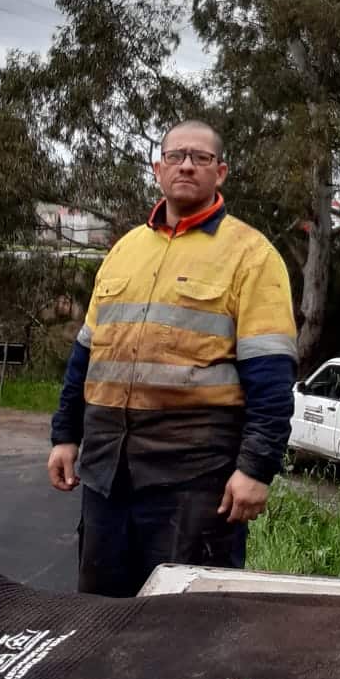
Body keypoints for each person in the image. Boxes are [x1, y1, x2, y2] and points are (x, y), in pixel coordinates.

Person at [47, 120, 297, 596]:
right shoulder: (124, 251)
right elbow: (86, 354)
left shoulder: (251, 255)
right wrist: (65, 435)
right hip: (107, 475)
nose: (186, 165)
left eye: (201, 158)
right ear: (157, 168)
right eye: (175, 156)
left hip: (195, 481)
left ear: (220, 172)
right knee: (102, 615)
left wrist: (255, 469)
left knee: (185, 622)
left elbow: (271, 377)